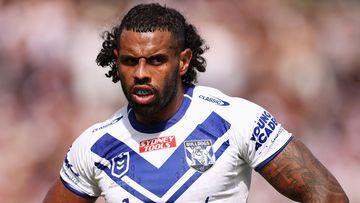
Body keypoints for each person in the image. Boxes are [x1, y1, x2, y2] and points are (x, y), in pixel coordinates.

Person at [43, 3, 348, 203]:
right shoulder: (96, 145)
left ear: (184, 61)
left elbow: (327, 196)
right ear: (116, 62)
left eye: (157, 61)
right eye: (130, 61)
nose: (141, 74)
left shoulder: (235, 120)